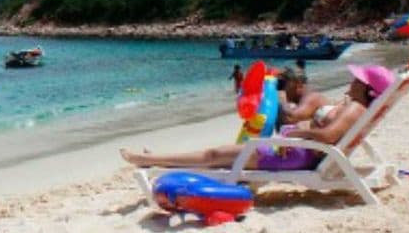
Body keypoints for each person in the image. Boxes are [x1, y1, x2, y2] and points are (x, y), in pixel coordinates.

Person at [120, 65, 393, 172]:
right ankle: (154, 159)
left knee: (214, 154)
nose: (353, 79)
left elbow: (329, 137)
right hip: (301, 152)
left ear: (368, 89)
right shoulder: (356, 106)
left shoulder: (356, 108)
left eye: (358, 79)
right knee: (218, 158)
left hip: (295, 154)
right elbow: (330, 134)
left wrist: (293, 134)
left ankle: (148, 160)